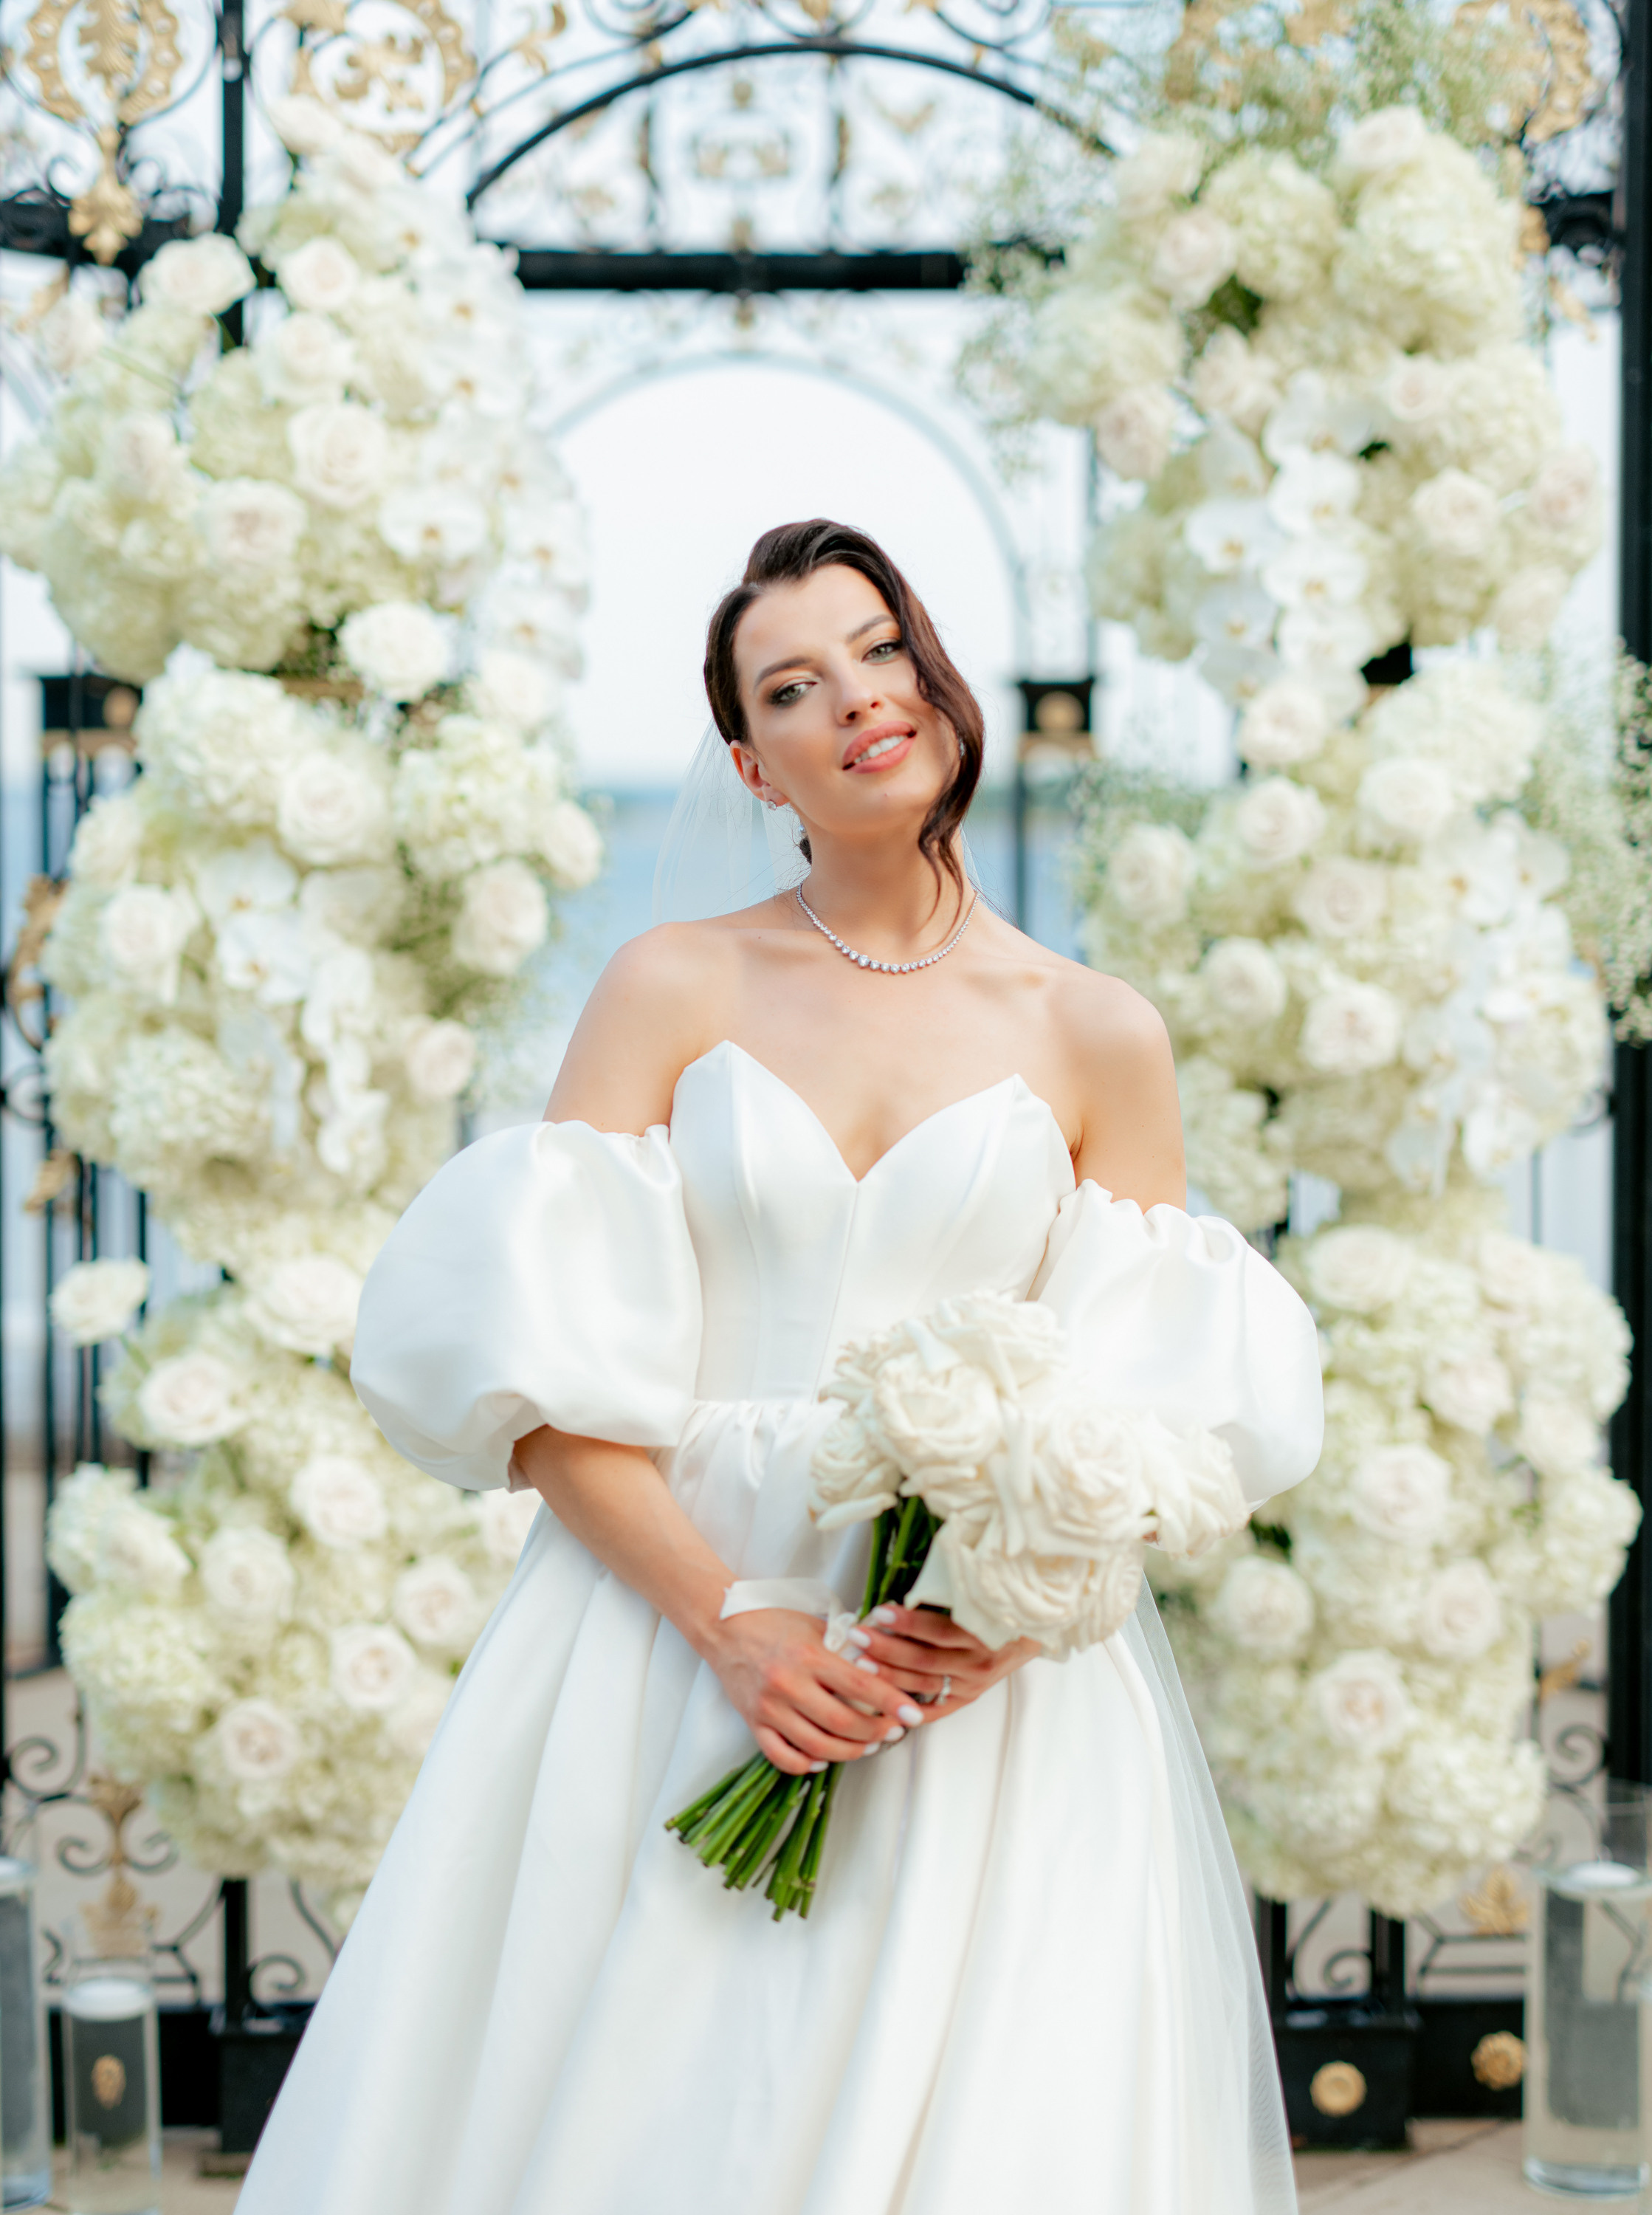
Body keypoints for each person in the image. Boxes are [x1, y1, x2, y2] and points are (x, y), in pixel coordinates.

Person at [237, 519, 1324, 2214]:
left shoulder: (1093, 1026)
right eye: (796, 685)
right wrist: (732, 1619)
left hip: (968, 1678)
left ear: (941, 683)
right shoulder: (670, 983)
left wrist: (991, 1612)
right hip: (666, 1628)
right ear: (754, 764)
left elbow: (1154, 1405)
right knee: (655, 2102)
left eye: (883, 650)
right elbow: (538, 1381)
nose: (860, 700)